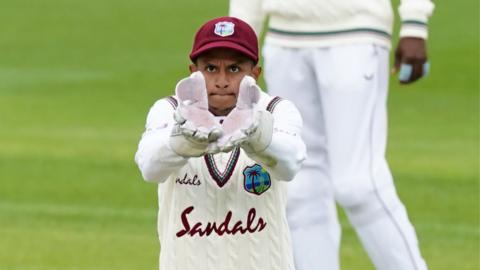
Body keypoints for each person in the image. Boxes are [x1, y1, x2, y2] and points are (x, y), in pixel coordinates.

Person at [230, 0, 434, 270]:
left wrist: (415, 22)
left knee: (358, 185)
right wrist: (237, 47)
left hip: (355, 32)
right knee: (301, 189)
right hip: (284, 38)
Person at [134, 16, 306, 270]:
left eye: (234, 69)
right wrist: (184, 143)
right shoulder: (170, 111)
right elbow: (149, 167)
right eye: (211, 68)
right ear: (193, 73)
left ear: (254, 74)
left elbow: (290, 164)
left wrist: (257, 137)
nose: (222, 81)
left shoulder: (276, 110)